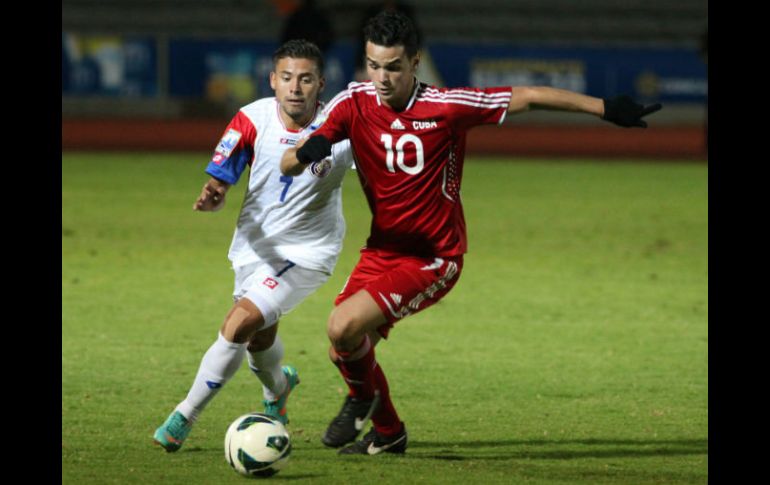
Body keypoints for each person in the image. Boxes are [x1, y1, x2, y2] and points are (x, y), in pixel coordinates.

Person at [280, 11, 662, 456]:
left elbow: (531, 96)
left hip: (434, 258)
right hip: (382, 251)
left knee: (342, 327)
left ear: (415, 62)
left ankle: (364, 400)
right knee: (343, 348)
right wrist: (310, 149)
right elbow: (288, 163)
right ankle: (389, 433)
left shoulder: (446, 105)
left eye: (393, 67)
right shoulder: (352, 103)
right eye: (373, 65)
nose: (382, 78)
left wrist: (604, 109)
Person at [153, 39, 353, 452]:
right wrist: (216, 191)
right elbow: (224, 170)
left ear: (321, 84)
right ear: (272, 80)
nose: (295, 87)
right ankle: (278, 389)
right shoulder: (251, 118)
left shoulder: (343, 129)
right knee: (260, 340)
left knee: (239, 324)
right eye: (286, 78)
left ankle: (184, 416)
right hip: (254, 246)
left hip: (307, 253)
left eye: (305, 79)